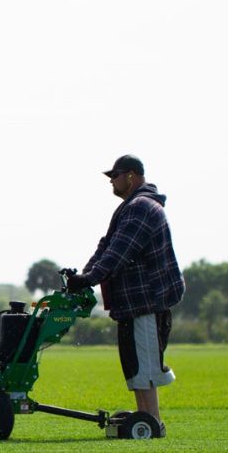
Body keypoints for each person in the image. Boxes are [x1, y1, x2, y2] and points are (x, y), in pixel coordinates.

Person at [65, 154, 184, 438]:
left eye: (114, 176)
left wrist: (89, 279)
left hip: (146, 300)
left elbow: (119, 251)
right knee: (136, 365)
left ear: (131, 175)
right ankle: (147, 418)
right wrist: (84, 277)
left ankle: (152, 423)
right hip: (132, 302)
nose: (111, 182)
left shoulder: (142, 208)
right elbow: (106, 246)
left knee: (144, 366)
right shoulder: (130, 208)